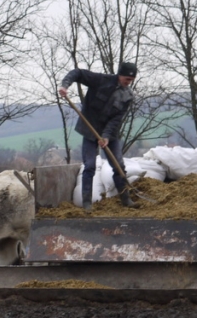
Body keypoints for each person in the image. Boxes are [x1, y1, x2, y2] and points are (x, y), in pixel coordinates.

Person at [58, 61, 139, 212]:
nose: (128, 83)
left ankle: (126, 199)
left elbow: (116, 119)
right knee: (89, 166)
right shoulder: (101, 80)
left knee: (119, 166)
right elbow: (78, 73)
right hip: (90, 129)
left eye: (131, 81)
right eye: (127, 79)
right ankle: (87, 202)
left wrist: (106, 136)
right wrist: (65, 85)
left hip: (110, 134)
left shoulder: (127, 96)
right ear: (120, 74)